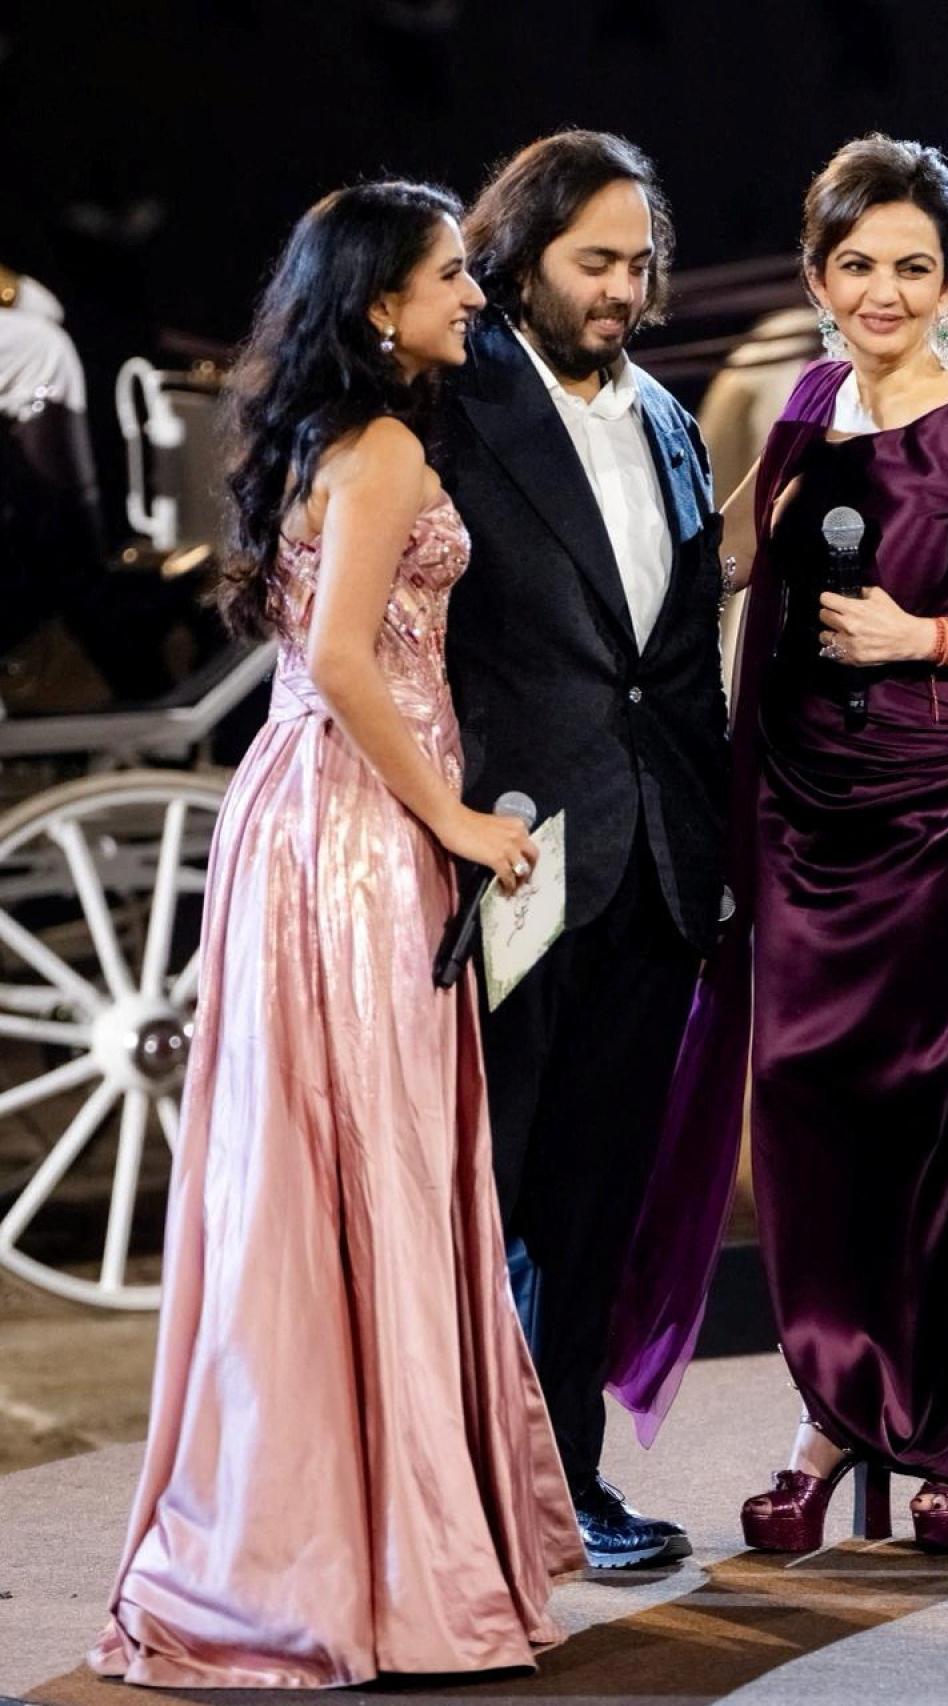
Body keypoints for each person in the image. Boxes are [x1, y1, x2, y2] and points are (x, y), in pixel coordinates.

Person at [88, 181, 583, 1690]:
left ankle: (357, 1538)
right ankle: (382, 1567)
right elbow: (347, 662)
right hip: (359, 826)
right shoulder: (379, 451)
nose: (475, 298)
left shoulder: (343, 438)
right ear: (380, 305)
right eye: (451, 278)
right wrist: (458, 820)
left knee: (335, 1160)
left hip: (313, 816)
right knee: (373, 1153)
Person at [611, 134, 948, 1553]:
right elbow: (732, 556)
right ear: (816, 276)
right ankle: (832, 1416)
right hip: (798, 823)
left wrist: (924, 637)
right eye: (855, 264)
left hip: (939, 825)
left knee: (941, 1128)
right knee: (812, 1128)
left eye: (912, 266)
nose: (882, 292)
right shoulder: (806, 403)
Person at [442, 130, 728, 1568]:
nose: (620, 288)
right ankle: (456, 1496)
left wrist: (716, 849)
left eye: (638, 262)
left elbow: (679, 669)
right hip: (508, 857)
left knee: (595, 1202)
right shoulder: (452, 403)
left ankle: (567, 1488)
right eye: (593, 261)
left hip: (655, 866)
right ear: (520, 259)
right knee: (478, 1189)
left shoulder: (671, 420)